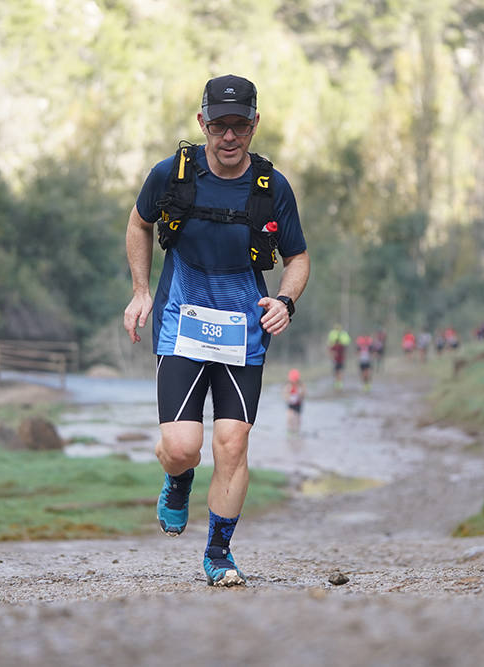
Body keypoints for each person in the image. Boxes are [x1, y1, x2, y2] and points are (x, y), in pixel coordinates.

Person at [123, 74, 310, 587]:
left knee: (232, 443)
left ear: (255, 124)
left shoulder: (273, 188)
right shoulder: (171, 174)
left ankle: (218, 554)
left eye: (240, 125)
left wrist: (286, 301)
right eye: (220, 125)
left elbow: (297, 258)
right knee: (184, 447)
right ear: (202, 122)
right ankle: (177, 480)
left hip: (243, 327)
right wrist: (142, 291)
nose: (230, 136)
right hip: (181, 321)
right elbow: (138, 224)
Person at [326, 324, 351, 389]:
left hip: (340, 359)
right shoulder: (334, 345)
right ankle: (338, 382)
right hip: (336, 359)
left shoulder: (341, 346)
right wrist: (331, 356)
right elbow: (330, 350)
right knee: (336, 371)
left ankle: (339, 383)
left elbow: (346, 348)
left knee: (339, 371)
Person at [282, 367, 305, 434]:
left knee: (298, 419)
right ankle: (289, 431)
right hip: (291, 404)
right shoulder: (288, 386)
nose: (294, 381)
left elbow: (304, 394)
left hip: (298, 404)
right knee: (290, 417)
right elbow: (284, 394)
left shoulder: (300, 385)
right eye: (293, 379)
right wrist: (288, 398)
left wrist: (301, 394)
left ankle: (297, 431)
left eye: (295, 379)